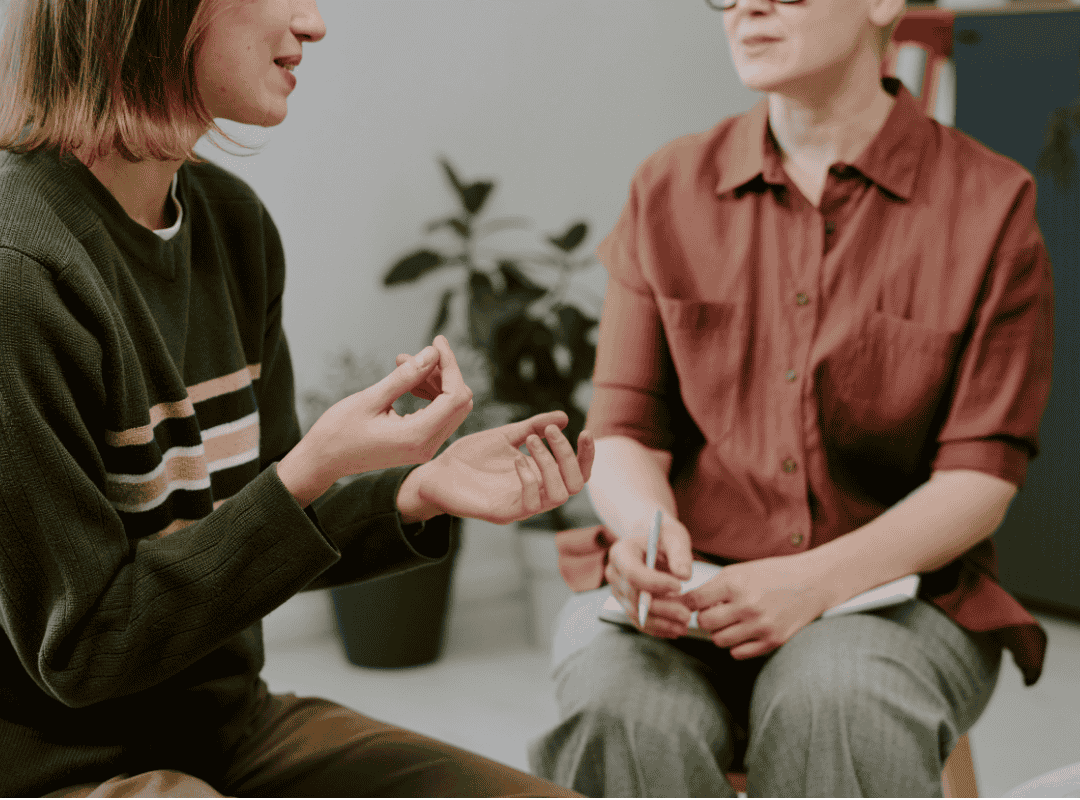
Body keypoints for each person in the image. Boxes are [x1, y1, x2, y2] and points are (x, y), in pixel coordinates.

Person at [0, 0, 595, 796]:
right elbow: (83, 648)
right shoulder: (20, 272)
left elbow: (255, 538)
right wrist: (307, 470)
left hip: (229, 729)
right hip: (60, 767)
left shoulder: (232, 225)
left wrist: (416, 492)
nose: (313, 23)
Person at [528, 0, 1054, 795]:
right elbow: (625, 430)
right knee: (618, 704)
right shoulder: (667, 188)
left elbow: (980, 480)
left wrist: (812, 582)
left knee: (835, 700)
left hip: (896, 601)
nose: (748, 4)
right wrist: (646, 535)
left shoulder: (990, 204)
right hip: (692, 599)